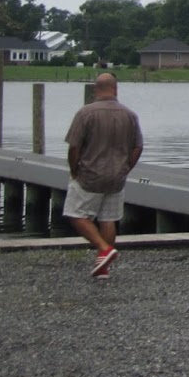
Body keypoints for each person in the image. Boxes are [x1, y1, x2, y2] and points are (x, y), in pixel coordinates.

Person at [64, 73, 143, 280]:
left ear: (95, 90)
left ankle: (103, 249)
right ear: (116, 89)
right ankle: (103, 266)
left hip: (90, 174)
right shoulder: (130, 115)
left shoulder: (86, 113)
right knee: (108, 218)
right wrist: (127, 167)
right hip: (117, 176)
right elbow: (138, 146)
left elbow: (74, 147)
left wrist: (74, 170)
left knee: (76, 214)